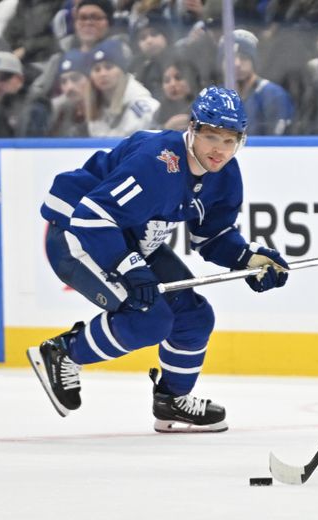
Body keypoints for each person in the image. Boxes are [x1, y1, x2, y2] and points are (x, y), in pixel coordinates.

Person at [28, 86, 290, 432]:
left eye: (230, 140)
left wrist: (247, 258)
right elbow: (92, 217)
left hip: (129, 236)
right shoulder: (159, 163)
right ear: (192, 129)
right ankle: (63, 351)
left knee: (194, 317)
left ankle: (171, 402)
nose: (220, 150)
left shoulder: (225, 174)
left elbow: (212, 237)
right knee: (149, 318)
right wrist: (130, 267)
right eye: (211, 136)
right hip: (76, 234)